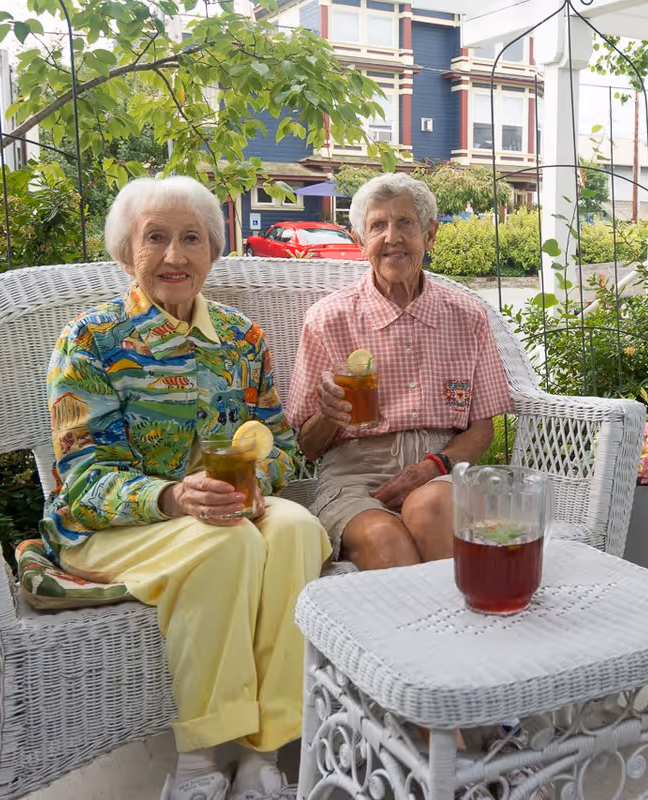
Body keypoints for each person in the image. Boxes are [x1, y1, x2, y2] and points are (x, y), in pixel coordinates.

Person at [41, 176, 331, 800]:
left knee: (297, 527)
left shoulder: (241, 339)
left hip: (221, 509)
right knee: (225, 545)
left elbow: (280, 445)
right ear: (127, 254)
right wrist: (172, 497)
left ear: (213, 253)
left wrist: (257, 482)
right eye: (156, 239)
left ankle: (264, 757)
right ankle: (199, 763)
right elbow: (81, 478)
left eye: (191, 239)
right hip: (111, 528)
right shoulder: (92, 341)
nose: (174, 256)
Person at [288, 173, 513, 569]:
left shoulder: (466, 316)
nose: (392, 237)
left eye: (405, 223)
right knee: (385, 540)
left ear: (430, 235)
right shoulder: (327, 320)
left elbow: (482, 429)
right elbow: (307, 447)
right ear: (360, 243)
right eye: (377, 225)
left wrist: (433, 466)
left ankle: (463, 627)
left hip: (441, 470)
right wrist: (327, 413)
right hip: (355, 479)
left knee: (431, 508)